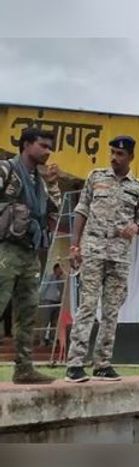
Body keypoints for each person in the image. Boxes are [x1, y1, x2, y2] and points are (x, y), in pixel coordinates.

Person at [66, 135, 139, 383]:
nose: (114, 158)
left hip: (119, 256)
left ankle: (102, 363)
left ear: (131, 157)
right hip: (93, 251)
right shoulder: (96, 177)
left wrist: (136, 227)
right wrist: (74, 245)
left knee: (111, 311)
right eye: (112, 152)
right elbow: (81, 210)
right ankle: (75, 363)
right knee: (88, 306)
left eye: (120, 154)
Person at [0, 128, 60, 384]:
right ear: (26, 144)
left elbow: (52, 212)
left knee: (28, 311)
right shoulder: (6, 170)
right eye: (43, 146)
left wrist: (54, 183)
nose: (48, 151)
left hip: (29, 252)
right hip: (5, 248)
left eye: (50, 147)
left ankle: (24, 368)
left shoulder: (41, 182)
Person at [41, 262, 64, 346]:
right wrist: (41, 298)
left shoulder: (61, 279)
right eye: (60, 268)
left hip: (57, 302)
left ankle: (52, 339)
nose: (61, 270)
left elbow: (62, 291)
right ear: (55, 269)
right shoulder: (50, 277)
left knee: (54, 322)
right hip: (48, 300)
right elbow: (43, 287)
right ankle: (42, 340)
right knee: (45, 320)